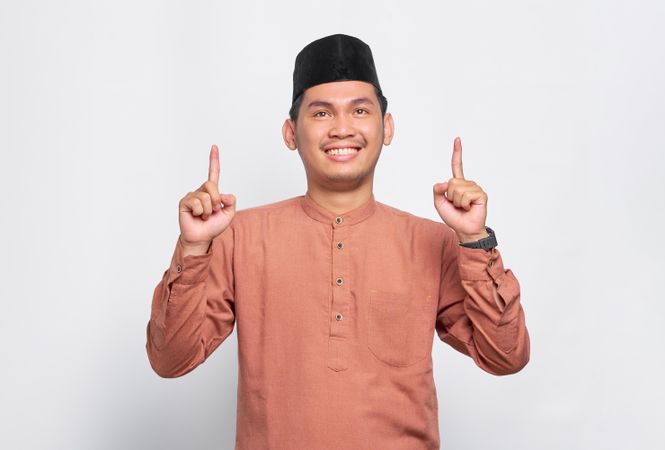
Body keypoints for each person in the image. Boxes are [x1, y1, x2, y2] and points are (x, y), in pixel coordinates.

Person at [146, 33, 530, 450]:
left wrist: (474, 239)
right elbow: (170, 360)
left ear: (387, 127)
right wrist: (194, 248)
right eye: (322, 113)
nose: (342, 128)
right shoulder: (240, 236)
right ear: (291, 133)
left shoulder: (432, 241)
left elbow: (505, 356)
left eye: (360, 110)